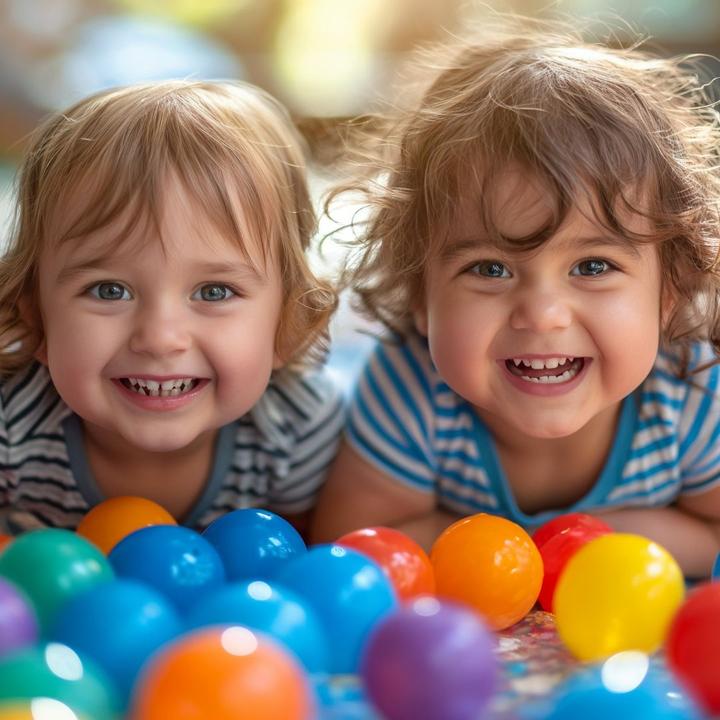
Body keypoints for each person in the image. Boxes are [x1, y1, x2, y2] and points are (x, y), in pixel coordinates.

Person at [311, 17, 720, 578]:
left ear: (670, 290)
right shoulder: (411, 385)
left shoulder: (693, 387)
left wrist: (607, 538)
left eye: (593, 266)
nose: (543, 315)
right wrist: (535, 551)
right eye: (491, 268)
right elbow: (353, 545)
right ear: (420, 296)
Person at [0, 80, 344, 536]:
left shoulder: (298, 428)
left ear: (288, 320)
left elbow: (302, 564)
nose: (160, 338)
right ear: (36, 317)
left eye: (214, 292)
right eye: (109, 291)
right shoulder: (10, 425)